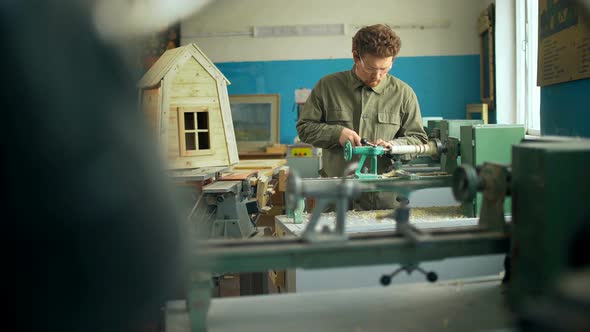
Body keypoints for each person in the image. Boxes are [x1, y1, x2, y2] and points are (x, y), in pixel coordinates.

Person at [296, 24, 428, 211]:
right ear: (356, 56)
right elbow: (304, 128)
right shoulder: (327, 87)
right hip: (335, 197)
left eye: (385, 68)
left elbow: (419, 139)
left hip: (383, 201)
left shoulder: (403, 94)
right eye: (371, 68)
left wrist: (394, 147)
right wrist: (336, 133)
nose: (378, 76)